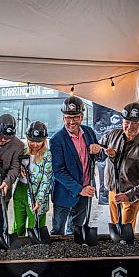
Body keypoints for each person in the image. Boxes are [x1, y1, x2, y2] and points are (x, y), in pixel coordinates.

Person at [50, 96, 102, 235]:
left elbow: (99, 157)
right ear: (63, 118)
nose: (71, 122)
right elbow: (58, 171)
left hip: (86, 189)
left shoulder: (89, 132)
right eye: (68, 118)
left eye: (76, 117)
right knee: (58, 231)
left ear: (82, 116)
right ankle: (57, 256)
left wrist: (98, 150)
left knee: (76, 230)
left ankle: (72, 256)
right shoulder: (56, 140)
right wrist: (79, 189)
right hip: (65, 193)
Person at [100, 102, 139, 229]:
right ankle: (117, 247)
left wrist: (128, 195)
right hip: (113, 191)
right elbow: (98, 155)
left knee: (126, 228)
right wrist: (102, 152)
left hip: (131, 195)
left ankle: (127, 247)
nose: (130, 127)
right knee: (115, 225)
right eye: (127, 122)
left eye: (135, 123)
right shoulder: (111, 135)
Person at [12, 121, 53, 236]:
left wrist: (39, 200)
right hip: (21, 189)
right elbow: (14, 166)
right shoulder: (22, 150)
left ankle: (35, 249)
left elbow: (46, 180)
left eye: (38, 141)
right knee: (18, 224)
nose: (35, 144)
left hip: (38, 192)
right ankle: (16, 249)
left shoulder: (47, 155)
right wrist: (19, 169)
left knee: (35, 225)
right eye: (32, 141)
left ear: (44, 140)